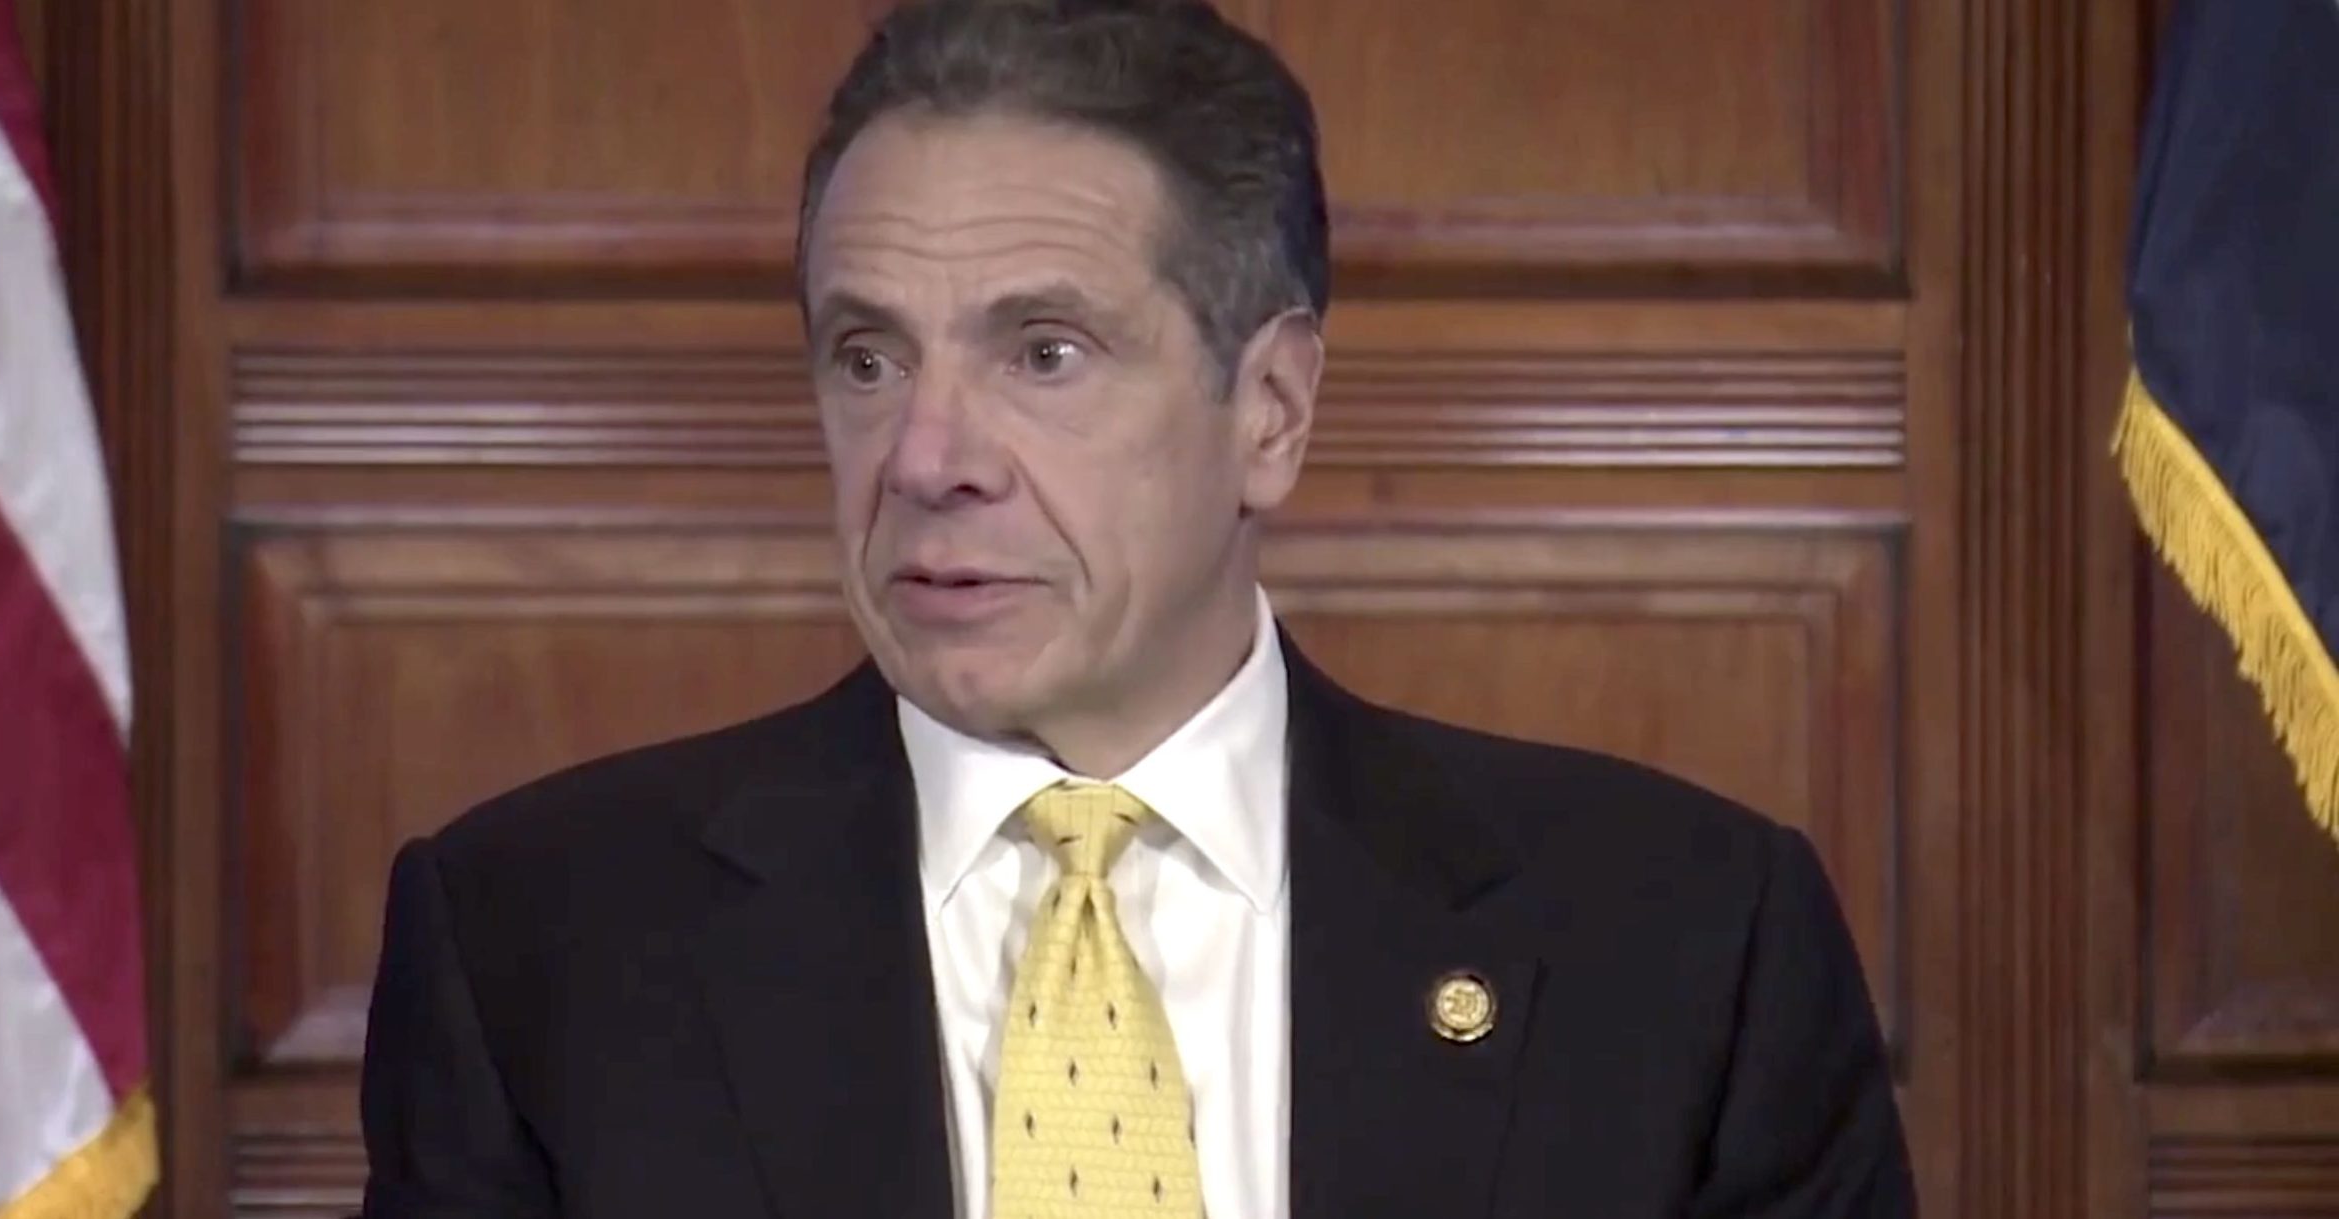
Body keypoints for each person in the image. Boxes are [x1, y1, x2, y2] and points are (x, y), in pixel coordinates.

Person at [355, 0, 1917, 1215]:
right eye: (868, 357)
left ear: (1271, 413)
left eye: (1045, 353)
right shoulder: (535, 945)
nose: (927, 459)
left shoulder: (1690, 943)